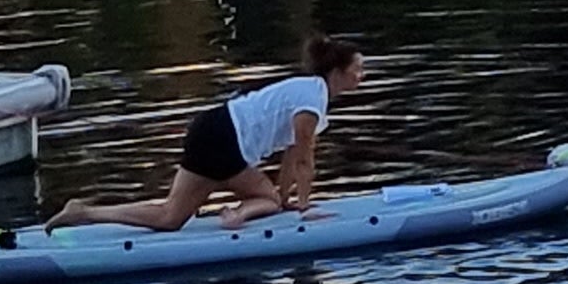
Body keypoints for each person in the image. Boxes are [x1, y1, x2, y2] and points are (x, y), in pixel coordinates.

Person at [60, 33, 365, 231]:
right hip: (224, 138)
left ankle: (85, 213)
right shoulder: (312, 99)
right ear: (337, 72)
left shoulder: (309, 92)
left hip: (208, 127)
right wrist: (301, 208)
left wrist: (289, 199)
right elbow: (303, 159)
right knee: (267, 201)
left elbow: (291, 154)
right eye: (358, 69)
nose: (361, 76)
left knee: (171, 217)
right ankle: (235, 216)